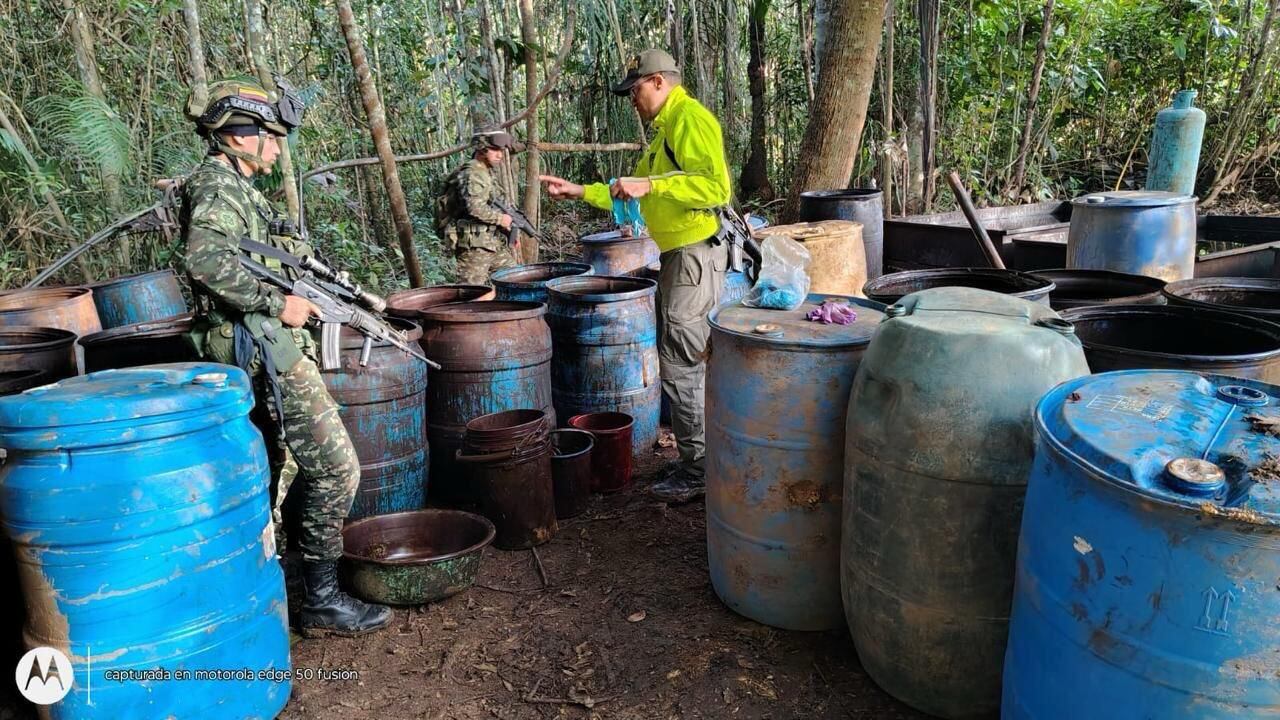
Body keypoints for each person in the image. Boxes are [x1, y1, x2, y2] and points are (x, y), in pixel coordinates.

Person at [181, 77, 391, 636]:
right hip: (259, 346)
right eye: (270, 138)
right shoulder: (217, 188)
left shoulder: (237, 187)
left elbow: (255, 256)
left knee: (280, 467)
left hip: (265, 345)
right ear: (238, 136)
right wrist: (281, 302)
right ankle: (320, 600)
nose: (277, 149)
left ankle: (282, 580)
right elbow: (204, 262)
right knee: (337, 467)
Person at [540, 49, 731, 504]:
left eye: (637, 90)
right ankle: (696, 456)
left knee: (681, 358)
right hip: (678, 256)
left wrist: (653, 185)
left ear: (660, 81)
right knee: (681, 354)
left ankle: (700, 468)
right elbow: (632, 197)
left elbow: (716, 187)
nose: (633, 100)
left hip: (695, 255)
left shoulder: (690, 119)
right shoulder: (664, 130)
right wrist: (579, 191)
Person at [436, 130, 526, 284]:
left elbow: (489, 205)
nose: (500, 155)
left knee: (515, 281)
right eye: (495, 150)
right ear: (482, 150)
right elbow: (475, 209)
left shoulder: (484, 172)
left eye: (501, 151)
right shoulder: (473, 173)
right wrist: (501, 219)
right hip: (474, 246)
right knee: (470, 294)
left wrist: (506, 228)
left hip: (489, 242)